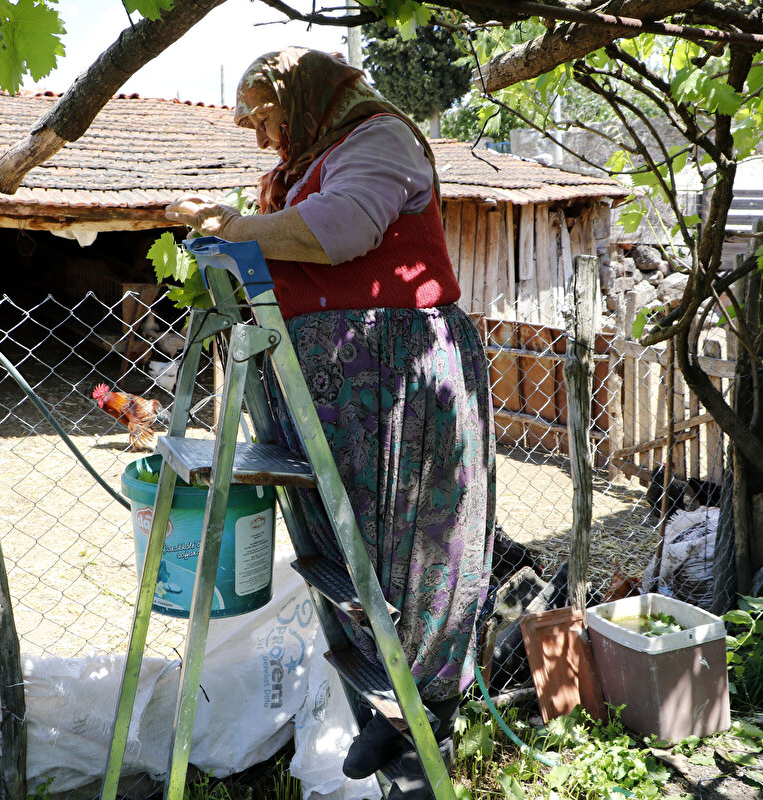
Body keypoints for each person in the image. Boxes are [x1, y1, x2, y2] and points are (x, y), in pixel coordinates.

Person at [165, 47, 495, 799]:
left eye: (265, 118)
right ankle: (390, 700)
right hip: (323, 379)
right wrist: (231, 230)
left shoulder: (382, 139)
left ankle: (425, 706)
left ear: (303, 96)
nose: (260, 139)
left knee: (410, 538)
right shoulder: (312, 159)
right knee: (342, 545)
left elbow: (339, 232)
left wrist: (238, 226)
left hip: (394, 373)